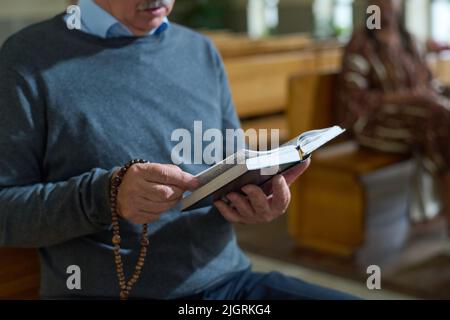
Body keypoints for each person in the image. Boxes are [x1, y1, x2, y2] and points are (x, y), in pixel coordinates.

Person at [0, 0, 354, 299]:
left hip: (228, 286)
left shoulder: (199, 51)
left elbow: (234, 161)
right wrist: (107, 196)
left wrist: (257, 198)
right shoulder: (25, 59)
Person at [338, 0, 450, 233]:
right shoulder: (362, 45)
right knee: (439, 120)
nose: (386, 5)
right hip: (373, 124)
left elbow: (430, 83)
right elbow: (357, 99)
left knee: (440, 118)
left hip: (419, 118)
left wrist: (428, 95)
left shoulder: (409, 40)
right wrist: (410, 97)